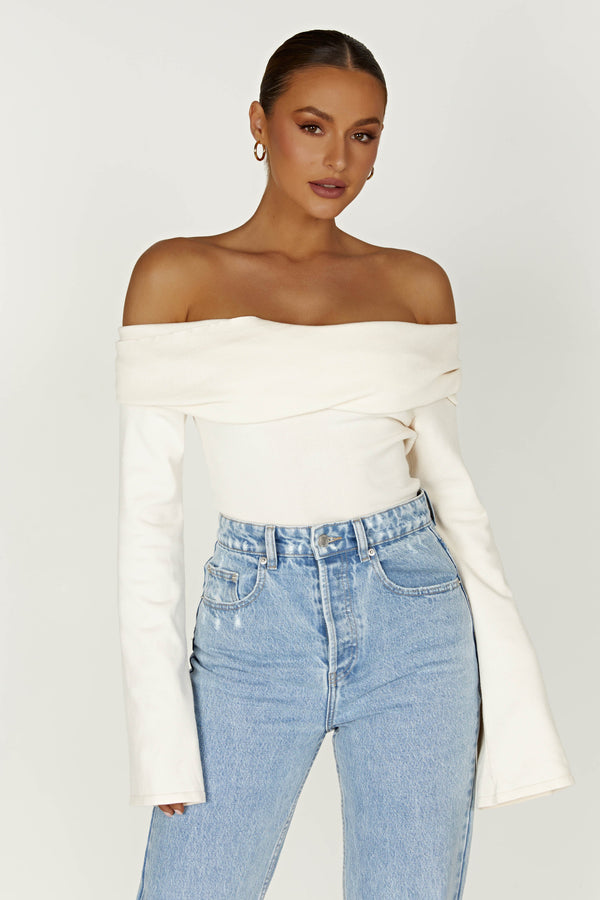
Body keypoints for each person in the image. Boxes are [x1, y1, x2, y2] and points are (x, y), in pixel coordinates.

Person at [115, 28, 574, 900]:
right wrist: (159, 730)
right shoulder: (177, 275)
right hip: (253, 625)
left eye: (364, 135)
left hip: (414, 615)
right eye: (313, 126)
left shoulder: (414, 285)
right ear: (261, 124)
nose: (339, 159)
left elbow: (453, 494)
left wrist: (514, 689)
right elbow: (148, 516)